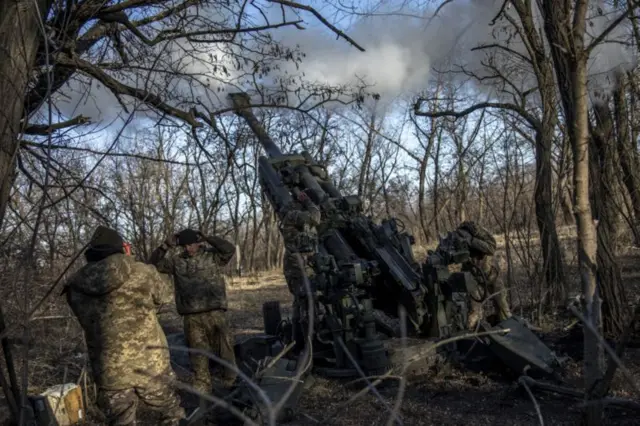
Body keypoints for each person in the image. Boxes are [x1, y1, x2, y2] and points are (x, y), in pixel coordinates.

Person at [63, 226, 185, 426]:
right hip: (151, 363)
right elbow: (164, 297)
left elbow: (84, 318)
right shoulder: (142, 272)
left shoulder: (75, 285)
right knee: (171, 413)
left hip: (109, 371)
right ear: (121, 248)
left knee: (121, 421)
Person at [149, 229, 237, 399]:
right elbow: (153, 264)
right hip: (192, 316)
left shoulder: (213, 256)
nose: (189, 248)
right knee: (197, 352)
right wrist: (165, 245)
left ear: (198, 242)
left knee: (225, 348)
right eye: (185, 245)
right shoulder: (177, 261)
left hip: (215, 311)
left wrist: (208, 237)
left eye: (191, 244)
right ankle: (203, 385)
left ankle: (231, 382)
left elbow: (229, 249)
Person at [279, 196, 321, 352]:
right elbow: (315, 217)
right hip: (297, 265)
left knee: (299, 303)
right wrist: (309, 201)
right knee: (307, 302)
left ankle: (298, 343)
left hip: (296, 264)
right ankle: (310, 345)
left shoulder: (289, 216)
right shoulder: (293, 216)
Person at [454, 221, 512, 329]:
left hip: (491, 274)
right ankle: (475, 333)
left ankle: (508, 329)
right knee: (474, 311)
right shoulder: (456, 240)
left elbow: (491, 248)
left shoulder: (479, 234)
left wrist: (471, 241)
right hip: (472, 277)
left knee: (502, 305)